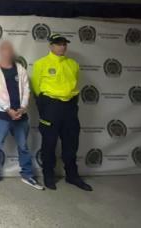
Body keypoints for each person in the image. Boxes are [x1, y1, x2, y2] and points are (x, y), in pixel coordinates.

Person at [31, 34, 93, 191]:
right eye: (58, 44)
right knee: (49, 143)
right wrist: (45, 106)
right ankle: (48, 175)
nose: (62, 46)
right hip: (51, 105)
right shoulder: (41, 63)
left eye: (64, 44)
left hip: (69, 107)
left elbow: (75, 83)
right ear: (51, 46)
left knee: (71, 143)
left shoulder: (73, 64)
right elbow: (36, 87)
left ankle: (72, 176)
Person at [0, 41, 43, 190]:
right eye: (4, 50)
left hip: (20, 114)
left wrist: (23, 107)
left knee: (23, 146)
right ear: (0, 52)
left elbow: (26, 89)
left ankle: (27, 174)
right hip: (1, 114)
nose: (7, 52)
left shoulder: (20, 69)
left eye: (10, 50)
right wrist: (8, 109)